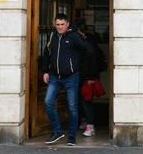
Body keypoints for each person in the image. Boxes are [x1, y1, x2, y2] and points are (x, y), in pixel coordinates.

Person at [41, 13, 94, 146]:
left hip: (71, 77)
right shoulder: (52, 35)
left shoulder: (74, 36)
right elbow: (46, 54)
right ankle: (57, 132)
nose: (60, 27)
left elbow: (89, 50)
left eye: (62, 24)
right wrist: (45, 71)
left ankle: (71, 137)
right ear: (54, 24)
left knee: (72, 108)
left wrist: (79, 67)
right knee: (48, 102)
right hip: (54, 76)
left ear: (67, 24)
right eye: (57, 24)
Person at [78, 23, 107, 137]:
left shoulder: (88, 43)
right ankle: (85, 121)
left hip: (88, 77)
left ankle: (90, 125)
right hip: (83, 76)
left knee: (86, 101)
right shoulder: (85, 42)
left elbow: (93, 61)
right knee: (82, 100)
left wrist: (91, 77)